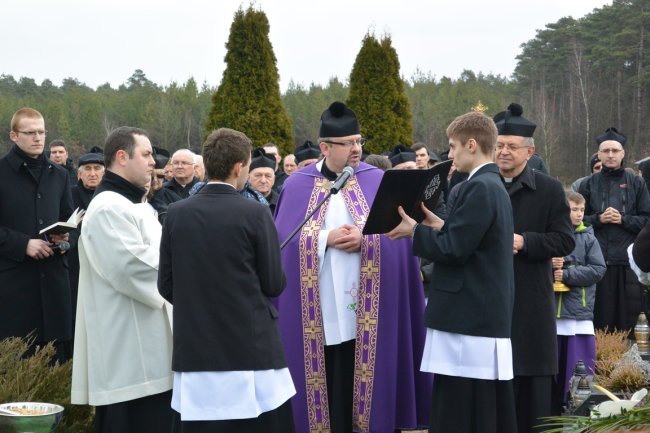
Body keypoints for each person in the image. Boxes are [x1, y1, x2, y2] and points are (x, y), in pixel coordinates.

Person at [274, 101, 431, 433]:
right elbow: (284, 246)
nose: (357, 149)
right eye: (348, 143)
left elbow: (402, 243)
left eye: (359, 141)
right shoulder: (297, 185)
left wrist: (367, 241)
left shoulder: (377, 181)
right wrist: (323, 239)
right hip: (318, 311)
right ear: (325, 147)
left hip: (370, 311)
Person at [387, 111, 517, 433]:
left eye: (453, 146)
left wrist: (415, 231)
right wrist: (441, 225)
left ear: (471, 144)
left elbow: (454, 250)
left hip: (469, 317)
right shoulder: (489, 184)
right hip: (476, 313)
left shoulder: (480, 187)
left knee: (461, 408)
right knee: (470, 404)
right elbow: (472, 240)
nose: (449, 155)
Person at [159, 128, 296, 433]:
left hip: (196, 344)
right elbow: (274, 283)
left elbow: (165, 285)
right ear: (239, 167)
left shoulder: (176, 213)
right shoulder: (256, 213)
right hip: (250, 345)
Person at [71, 126, 174, 433]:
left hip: (150, 349)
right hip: (130, 357)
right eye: (146, 154)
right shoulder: (107, 209)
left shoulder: (135, 205)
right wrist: (190, 267)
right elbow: (135, 270)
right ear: (121, 157)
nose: (153, 161)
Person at [494, 102, 575, 432]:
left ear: (530, 151)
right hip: (489, 299)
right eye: (498, 145)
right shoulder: (477, 186)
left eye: (512, 147)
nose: (504, 152)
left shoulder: (550, 189)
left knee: (532, 386)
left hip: (531, 299)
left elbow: (564, 240)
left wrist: (525, 242)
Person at [0, 107, 74, 362]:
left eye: (41, 132)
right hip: (15, 291)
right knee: (16, 375)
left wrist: (64, 241)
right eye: (30, 132)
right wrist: (23, 244)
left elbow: (70, 223)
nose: (37, 138)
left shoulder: (61, 175)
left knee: (57, 370)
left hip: (55, 288)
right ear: (13, 135)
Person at [579, 127, 650, 333]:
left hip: (629, 262)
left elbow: (647, 220)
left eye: (615, 151)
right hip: (596, 260)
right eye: (606, 151)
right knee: (598, 319)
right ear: (598, 154)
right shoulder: (588, 184)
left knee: (629, 320)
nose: (610, 155)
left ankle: (629, 363)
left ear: (623, 154)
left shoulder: (637, 183)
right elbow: (576, 221)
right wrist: (599, 219)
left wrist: (623, 219)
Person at [552, 190, 606, 407]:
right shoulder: (551, 235)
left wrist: (567, 274)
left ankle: (577, 405)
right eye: (574, 210)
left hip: (577, 314)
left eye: (582, 210)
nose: (579, 214)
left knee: (578, 368)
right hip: (551, 313)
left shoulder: (589, 239)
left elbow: (598, 269)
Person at [68, 151, 105, 328]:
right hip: (77, 264)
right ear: (79, 174)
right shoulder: (70, 195)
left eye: (97, 168)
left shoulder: (110, 196)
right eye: (87, 169)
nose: (92, 173)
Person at [248, 147, 279, 213]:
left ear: (274, 179)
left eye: (268, 176)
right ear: (248, 178)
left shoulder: (281, 203)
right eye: (258, 175)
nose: (263, 181)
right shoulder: (241, 201)